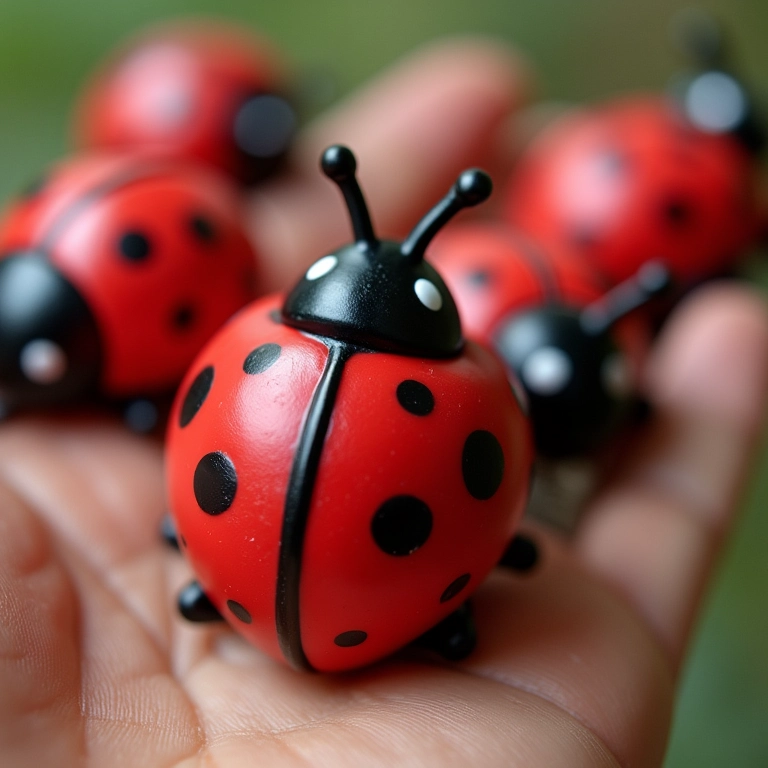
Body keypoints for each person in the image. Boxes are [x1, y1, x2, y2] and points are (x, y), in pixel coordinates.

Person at [1, 39, 766, 767]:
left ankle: (223, 584)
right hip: (356, 611)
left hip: (233, 587)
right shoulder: (482, 397)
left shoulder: (245, 340)